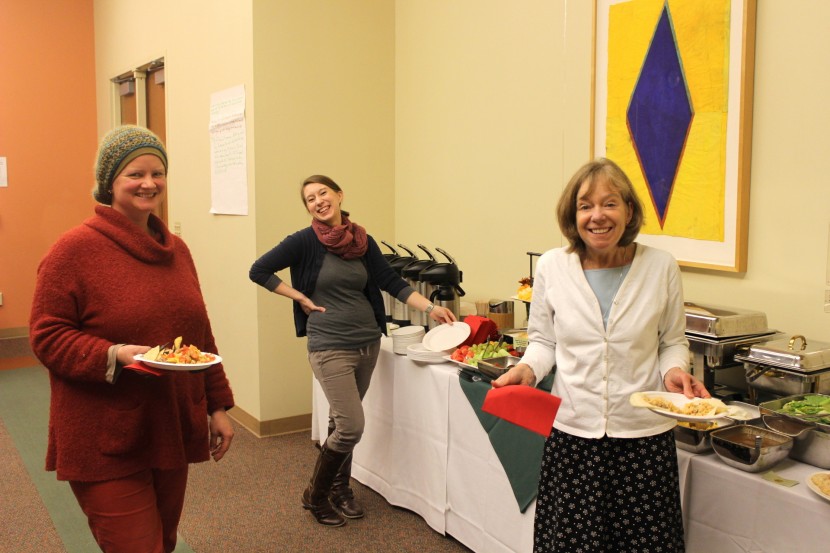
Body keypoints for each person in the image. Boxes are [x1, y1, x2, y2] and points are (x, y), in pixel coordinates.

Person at [29, 125, 235, 553]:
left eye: (157, 172)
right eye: (134, 174)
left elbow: (199, 335)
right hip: (103, 432)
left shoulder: (176, 249)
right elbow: (46, 335)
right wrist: (114, 354)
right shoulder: (73, 250)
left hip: (168, 423)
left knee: (165, 540)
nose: (149, 183)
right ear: (109, 182)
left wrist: (216, 404)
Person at [493, 158, 709, 552]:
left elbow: (672, 342)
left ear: (629, 210)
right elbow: (544, 342)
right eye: (585, 205)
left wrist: (674, 372)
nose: (597, 216)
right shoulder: (553, 267)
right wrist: (526, 369)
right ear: (572, 214)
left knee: (644, 544)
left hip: (643, 438)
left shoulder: (660, 267)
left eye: (610, 203)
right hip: (574, 436)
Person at [249, 174, 456, 527]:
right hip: (329, 344)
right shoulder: (303, 242)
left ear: (339, 195)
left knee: (338, 420)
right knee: (351, 425)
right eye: (310, 198)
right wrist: (298, 295)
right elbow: (259, 269)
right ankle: (315, 495)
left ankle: (340, 490)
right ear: (308, 208)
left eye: (323, 193)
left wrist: (430, 308)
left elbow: (390, 281)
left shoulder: (362, 241)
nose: (318, 201)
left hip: (367, 342)